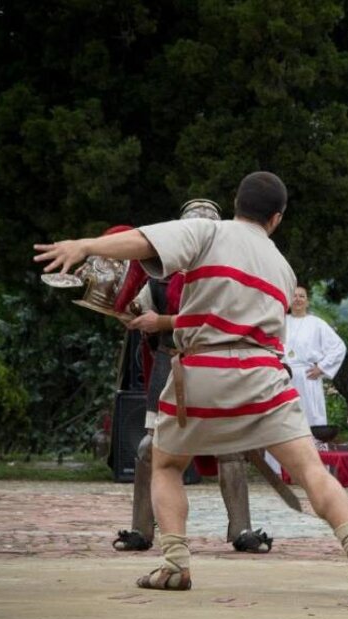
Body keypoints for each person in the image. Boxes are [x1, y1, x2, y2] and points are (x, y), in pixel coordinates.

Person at [34, 171, 348, 597]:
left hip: (200, 376)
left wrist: (83, 245)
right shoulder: (284, 268)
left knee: (164, 465)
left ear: (236, 203)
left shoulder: (207, 232)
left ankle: (175, 563)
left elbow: (141, 241)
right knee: (311, 470)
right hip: (265, 379)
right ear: (276, 219)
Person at [113, 199, 273, 554]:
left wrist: (163, 322)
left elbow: (223, 320)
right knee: (149, 450)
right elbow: (136, 311)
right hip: (170, 367)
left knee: (230, 449)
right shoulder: (159, 275)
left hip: (215, 366)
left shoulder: (229, 276)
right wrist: (130, 313)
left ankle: (242, 529)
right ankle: (141, 530)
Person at [283, 285, 347, 433]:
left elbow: (338, 347)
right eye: (294, 296)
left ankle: (311, 454)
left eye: (302, 296)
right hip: (284, 378)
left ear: (307, 301)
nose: (298, 299)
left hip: (307, 377)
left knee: (310, 417)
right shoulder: (281, 322)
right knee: (285, 420)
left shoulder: (316, 324)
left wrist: (322, 367)